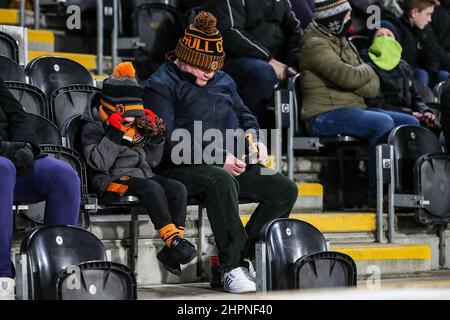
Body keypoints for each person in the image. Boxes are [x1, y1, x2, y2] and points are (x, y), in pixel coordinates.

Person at [143, 11, 298, 293]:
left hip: (227, 162)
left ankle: (241, 257)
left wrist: (256, 140)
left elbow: (245, 115)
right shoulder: (159, 85)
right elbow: (166, 140)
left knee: (283, 188)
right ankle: (231, 267)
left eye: (214, 67)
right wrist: (217, 156)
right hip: (178, 166)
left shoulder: (223, 79)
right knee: (220, 179)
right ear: (184, 57)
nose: (209, 73)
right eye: (203, 66)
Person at [299, 0, 420, 207]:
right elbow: (349, 77)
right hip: (323, 115)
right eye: (346, 17)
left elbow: (372, 86)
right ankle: (377, 196)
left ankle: (406, 188)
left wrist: (361, 74)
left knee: (409, 123)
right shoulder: (313, 44)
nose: (350, 22)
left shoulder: (342, 41)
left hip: (353, 109)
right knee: (382, 123)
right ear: (334, 20)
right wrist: (365, 72)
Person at [80, 62, 196, 276]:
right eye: (128, 116)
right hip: (109, 180)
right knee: (151, 189)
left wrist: (156, 138)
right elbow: (98, 164)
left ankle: (171, 251)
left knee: (177, 188)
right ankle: (173, 240)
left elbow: (152, 162)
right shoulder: (92, 126)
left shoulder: (134, 126)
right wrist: (114, 132)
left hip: (142, 175)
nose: (132, 121)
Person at [0, 79, 80, 300]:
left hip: (8, 156)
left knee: (63, 176)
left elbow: (17, 114)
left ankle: (56, 275)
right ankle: (2, 278)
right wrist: (7, 150)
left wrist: (26, 146)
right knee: (3, 169)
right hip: (3, 161)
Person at [207, 0, 303, 129]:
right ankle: (252, 133)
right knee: (262, 71)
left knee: (306, 67)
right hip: (232, 60)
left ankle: (295, 137)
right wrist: (268, 59)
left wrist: (290, 65)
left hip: (273, 61)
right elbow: (229, 31)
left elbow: (294, 32)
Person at [362, 21, 436, 130]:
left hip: (410, 113)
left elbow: (416, 97)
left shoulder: (404, 66)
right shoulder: (367, 67)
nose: (385, 39)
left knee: (435, 125)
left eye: (389, 35)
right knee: (411, 121)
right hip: (384, 114)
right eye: (379, 36)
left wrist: (425, 111)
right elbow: (376, 103)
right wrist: (411, 113)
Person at [383, 0, 448, 87]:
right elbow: (403, 62)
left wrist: (432, 72)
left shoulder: (423, 29)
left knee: (444, 76)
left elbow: (433, 55)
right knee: (422, 74)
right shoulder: (396, 27)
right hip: (402, 76)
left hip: (421, 71)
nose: (430, 19)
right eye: (428, 14)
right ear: (415, 12)